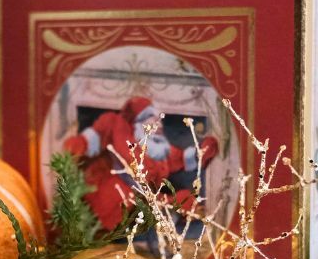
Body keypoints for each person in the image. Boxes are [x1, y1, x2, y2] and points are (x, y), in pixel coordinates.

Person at [63, 96, 218, 231]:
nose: (159, 124)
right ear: (137, 124)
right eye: (152, 118)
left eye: (159, 119)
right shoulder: (119, 130)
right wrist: (78, 145)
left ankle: (171, 218)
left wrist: (202, 152)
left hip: (142, 201)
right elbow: (93, 138)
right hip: (111, 194)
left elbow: (183, 158)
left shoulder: (161, 150)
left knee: (183, 199)